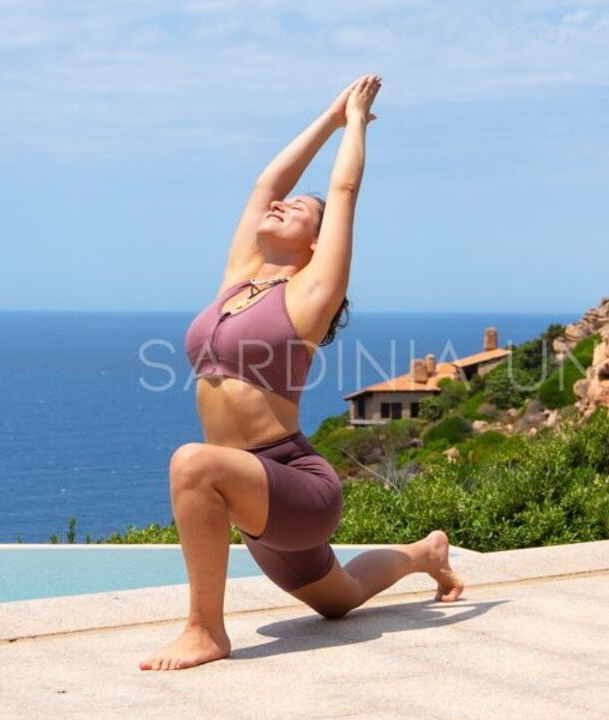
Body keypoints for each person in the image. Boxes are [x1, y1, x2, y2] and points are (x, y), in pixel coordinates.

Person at [141, 75, 465, 672]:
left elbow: (341, 189)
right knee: (340, 599)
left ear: (317, 242)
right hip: (253, 496)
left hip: (294, 481)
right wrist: (329, 115)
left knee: (191, 461)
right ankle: (426, 554)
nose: (283, 204)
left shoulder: (311, 292)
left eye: (299, 210)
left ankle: (204, 629)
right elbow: (268, 182)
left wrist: (359, 122)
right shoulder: (239, 280)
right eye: (287, 203)